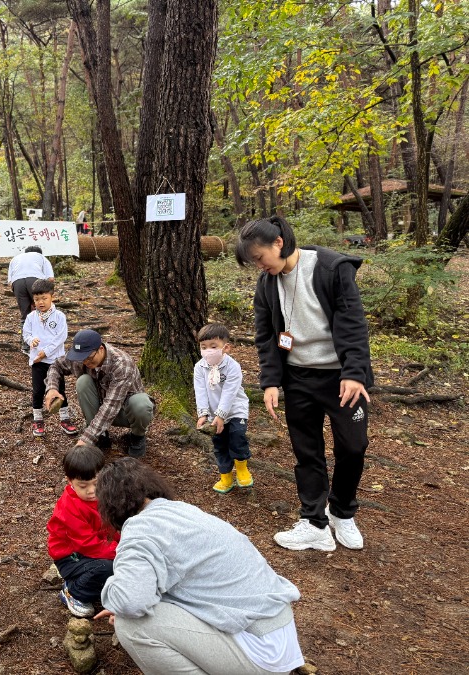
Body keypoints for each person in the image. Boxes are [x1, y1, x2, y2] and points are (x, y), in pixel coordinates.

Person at [236, 215, 372, 552]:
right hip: (298, 378)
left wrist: (355, 373)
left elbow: (353, 323)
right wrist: (270, 382)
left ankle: (342, 511)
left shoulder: (329, 268)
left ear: (278, 243)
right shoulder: (267, 284)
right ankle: (314, 522)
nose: (259, 267)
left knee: (352, 448)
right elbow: (266, 336)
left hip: (342, 378)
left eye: (259, 258)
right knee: (307, 451)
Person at [95, 458, 305, 675]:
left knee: (130, 626)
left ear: (110, 506)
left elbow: (131, 602)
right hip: (278, 635)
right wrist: (131, 597)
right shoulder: (179, 510)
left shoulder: (140, 530)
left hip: (260, 651)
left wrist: (117, 594)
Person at [44, 329, 154, 457]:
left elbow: (111, 406)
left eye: (89, 358)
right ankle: (101, 435)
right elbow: (56, 366)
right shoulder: (81, 356)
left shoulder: (122, 364)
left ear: (101, 349)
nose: (86, 362)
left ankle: (137, 437)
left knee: (141, 404)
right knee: (83, 381)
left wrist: (85, 440)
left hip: (125, 412)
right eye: (82, 359)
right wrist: (52, 388)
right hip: (99, 408)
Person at [47, 445, 117, 618]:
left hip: (97, 546)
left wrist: (125, 542)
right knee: (106, 567)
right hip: (71, 556)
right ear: (69, 481)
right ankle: (74, 592)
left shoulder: (104, 495)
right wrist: (119, 551)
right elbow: (87, 544)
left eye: (96, 483)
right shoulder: (69, 507)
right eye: (83, 486)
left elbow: (113, 525)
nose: (92, 491)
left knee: (121, 564)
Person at [194, 323, 253, 493]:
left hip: (235, 410)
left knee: (237, 436)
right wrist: (203, 414)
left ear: (226, 347)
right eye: (203, 347)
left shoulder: (233, 366)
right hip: (213, 414)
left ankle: (242, 469)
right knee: (219, 444)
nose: (208, 351)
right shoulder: (200, 367)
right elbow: (200, 391)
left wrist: (221, 415)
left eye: (213, 346)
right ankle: (226, 478)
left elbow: (229, 392)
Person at [22, 278, 78, 437]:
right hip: (37, 362)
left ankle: (65, 419)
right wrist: (31, 340)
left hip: (56, 361)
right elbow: (26, 333)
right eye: (37, 299)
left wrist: (45, 352)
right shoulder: (31, 317)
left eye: (44, 298)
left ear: (52, 297)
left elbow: (61, 337)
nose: (40, 302)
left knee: (60, 390)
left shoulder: (59, 316)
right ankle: (38, 419)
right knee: (38, 390)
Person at [7, 245, 55, 352]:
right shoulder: (42, 257)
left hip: (17, 282)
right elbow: (50, 279)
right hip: (36, 279)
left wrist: (27, 299)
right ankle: (46, 342)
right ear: (40, 252)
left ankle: (26, 345)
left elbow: (10, 283)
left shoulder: (15, 259)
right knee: (43, 312)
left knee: (26, 315)